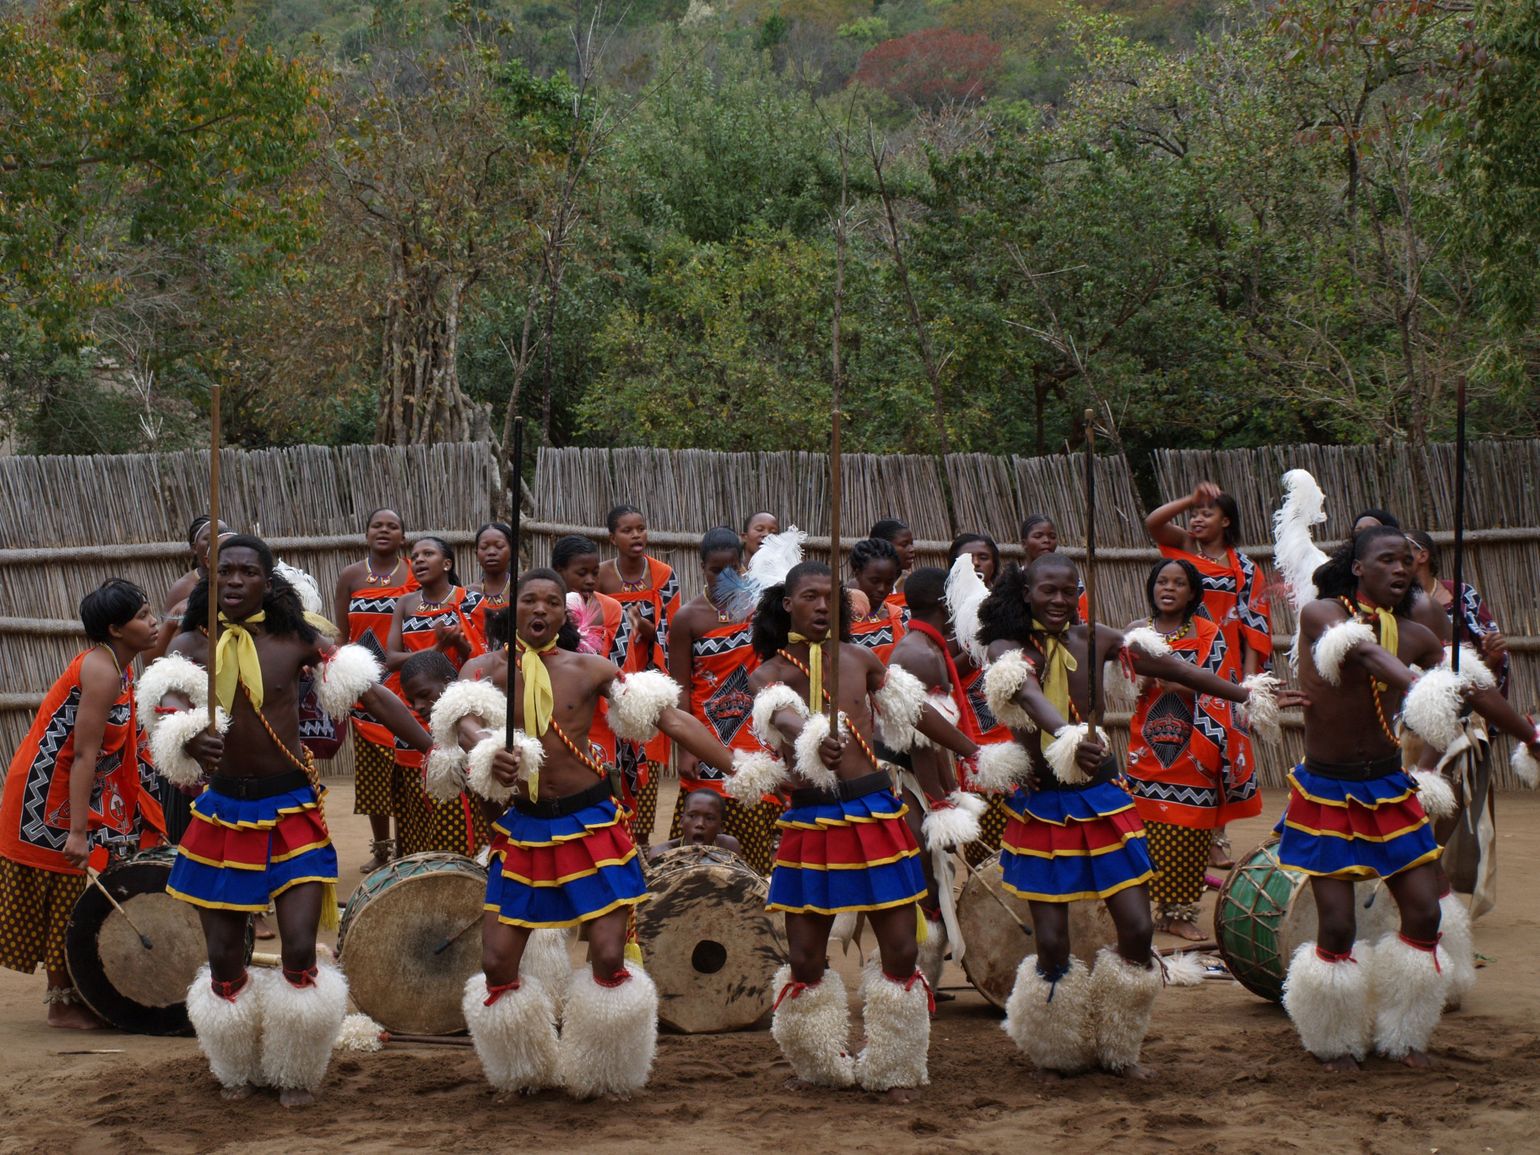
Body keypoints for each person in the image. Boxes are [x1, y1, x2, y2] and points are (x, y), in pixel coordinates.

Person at [970, 554, 1283, 1077]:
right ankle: (1056, 1049)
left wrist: (1246, 694)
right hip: (1043, 807)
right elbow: (1026, 692)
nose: (1058, 601)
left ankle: (1119, 1047)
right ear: (1027, 593)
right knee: (1051, 944)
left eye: (1068, 591)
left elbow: (1173, 667)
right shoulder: (1007, 649)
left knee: (1138, 930)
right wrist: (1066, 735)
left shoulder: (1094, 637)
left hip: (1102, 801)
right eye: (1047, 591)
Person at [141, 535, 427, 1105]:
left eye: (249, 572)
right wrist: (186, 734)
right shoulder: (193, 644)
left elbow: (371, 695)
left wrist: (436, 748)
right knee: (225, 958)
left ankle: (296, 1069)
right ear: (212, 582)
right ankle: (236, 1066)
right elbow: (164, 698)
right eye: (226, 574)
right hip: (222, 811)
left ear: (268, 583)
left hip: (291, 808)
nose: (238, 582)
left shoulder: (297, 640)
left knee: (299, 948)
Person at [427, 568, 735, 1098]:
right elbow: (462, 718)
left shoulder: (591, 668)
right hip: (523, 829)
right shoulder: (486, 669)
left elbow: (672, 720)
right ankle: (524, 1070)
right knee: (498, 962)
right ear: (513, 610)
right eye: (530, 601)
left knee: (610, 956)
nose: (540, 609)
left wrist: (737, 766)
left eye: (551, 602)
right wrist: (486, 749)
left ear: (564, 616)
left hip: (590, 823)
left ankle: (607, 1073)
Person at [1275, 527, 1540, 1071]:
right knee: (1338, 926)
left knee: (1423, 914)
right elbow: (1364, 653)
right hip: (1328, 792)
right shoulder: (1322, 615)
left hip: (1389, 790)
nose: (1400, 569)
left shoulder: (1416, 635)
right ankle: (1333, 1040)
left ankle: (1402, 1036)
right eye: (1386, 560)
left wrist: (1532, 735)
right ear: (1359, 568)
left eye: (1406, 561)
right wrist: (1421, 685)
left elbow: (1476, 689)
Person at [729, 561, 977, 1096]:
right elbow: (780, 715)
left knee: (900, 951)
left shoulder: (862, 658)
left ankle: (895, 1065)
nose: (821, 606)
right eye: (809, 597)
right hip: (810, 819)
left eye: (830, 598)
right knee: (805, 958)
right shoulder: (769, 671)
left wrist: (972, 750)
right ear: (787, 605)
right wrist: (814, 736)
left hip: (873, 814)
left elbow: (915, 712)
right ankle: (820, 1062)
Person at [0, 580, 164, 1028]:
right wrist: (75, 830)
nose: (154, 623)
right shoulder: (102, 671)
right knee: (65, 889)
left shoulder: (123, 661)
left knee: (75, 886)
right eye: (144, 616)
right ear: (115, 628)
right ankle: (60, 1003)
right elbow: (83, 754)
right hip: (47, 794)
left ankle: (71, 992)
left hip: (74, 788)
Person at [1124, 559, 1263, 941]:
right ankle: (1147, 911)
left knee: (1189, 834)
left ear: (1192, 593)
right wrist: (1140, 680)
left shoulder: (1208, 632)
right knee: (1143, 832)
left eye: (1179, 583)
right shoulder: (1137, 632)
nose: (1168, 588)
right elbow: (1116, 683)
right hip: (1148, 745)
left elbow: (1224, 685)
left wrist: (1178, 684)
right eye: (1162, 581)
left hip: (1195, 745)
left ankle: (1178, 912)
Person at [1145, 481, 1272, 870]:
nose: (1197, 518)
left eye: (1207, 512)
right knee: (1185, 746)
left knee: (1220, 750)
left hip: (1225, 669)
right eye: (1194, 514)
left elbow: (1255, 628)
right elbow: (1153, 523)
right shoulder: (1183, 552)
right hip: (1181, 659)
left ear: (1226, 520)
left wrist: (1248, 685)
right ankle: (1179, 828)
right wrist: (1189, 496)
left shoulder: (1246, 569)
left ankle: (1217, 836)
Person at [881, 566, 986, 988]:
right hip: (903, 780)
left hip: (916, 778)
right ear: (945, 604)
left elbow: (937, 736)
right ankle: (909, 977)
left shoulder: (928, 648)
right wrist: (940, 804)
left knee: (931, 874)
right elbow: (921, 738)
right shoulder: (920, 655)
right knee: (923, 877)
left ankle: (920, 976)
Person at [666, 528, 780, 874]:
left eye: (734, 568)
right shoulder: (688, 617)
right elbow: (681, 686)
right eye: (716, 570)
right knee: (703, 822)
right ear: (702, 568)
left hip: (755, 730)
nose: (725, 577)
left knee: (756, 807)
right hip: (706, 733)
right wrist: (685, 747)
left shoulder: (760, 608)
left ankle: (753, 897)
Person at [335, 507, 416, 872]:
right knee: (372, 776)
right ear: (366, 533)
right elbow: (341, 633)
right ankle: (381, 849)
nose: (384, 531)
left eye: (392, 526)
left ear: (403, 536)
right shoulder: (351, 575)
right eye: (377, 525)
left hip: (407, 685)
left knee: (407, 771)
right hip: (364, 688)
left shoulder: (415, 572)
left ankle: (408, 845)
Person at [597, 504, 679, 844]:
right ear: (612, 537)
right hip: (611, 678)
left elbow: (672, 631)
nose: (636, 536)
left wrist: (645, 628)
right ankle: (615, 835)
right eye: (628, 530)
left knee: (647, 755)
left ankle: (643, 838)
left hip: (648, 680)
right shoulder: (601, 575)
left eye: (641, 529)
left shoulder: (663, 575)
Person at [397, 650, 488, 856]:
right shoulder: (426, 735)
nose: (418, 706)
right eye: (412, 701)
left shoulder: (480, 719)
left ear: (448, 683)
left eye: (423, 695)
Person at [845, 537, 906, 664]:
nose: (882, 589)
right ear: (857, 574)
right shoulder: (838, 620)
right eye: (874, 581)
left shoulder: (901, 618)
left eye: (889, 582)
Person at [648, 790, 743, 860]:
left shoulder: (729, 847)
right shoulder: (663, 854)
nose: (700, 824)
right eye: (692, 816)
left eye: (709, 818)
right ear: (681, 821)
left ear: (721, 827)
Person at [468, 522, 515, 641]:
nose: (491, 552)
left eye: (499, 546)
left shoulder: (524, 589)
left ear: (512, 551)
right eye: (484, 547)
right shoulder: (466, 594)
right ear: (476, 553)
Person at [868, 518, 916, 620]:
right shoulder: (862, 588)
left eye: (912, 544)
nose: (912, 549)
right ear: (883, 546)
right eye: (904, 544)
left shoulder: (912, 585)